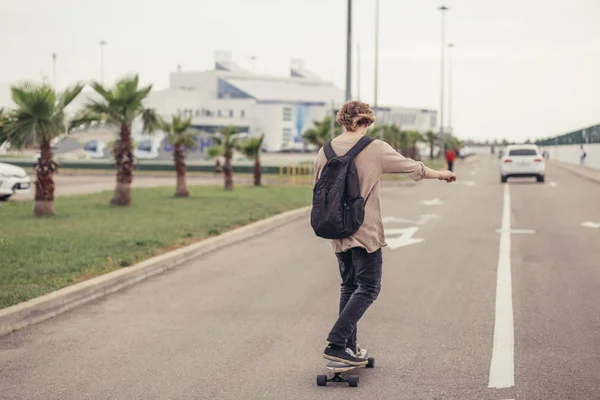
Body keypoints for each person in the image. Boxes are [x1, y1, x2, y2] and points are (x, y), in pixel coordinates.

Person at [313, 101, 456, 365]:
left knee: (349, 286)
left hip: (337, 230)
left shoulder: (325, 151)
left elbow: (319, 189)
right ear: (366, 122)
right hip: (365, 231)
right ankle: (337, 342)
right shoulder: (375, 148)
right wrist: (441, 174)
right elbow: (413, 168)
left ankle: (348, 348)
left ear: (343, 121)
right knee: (368, 287)